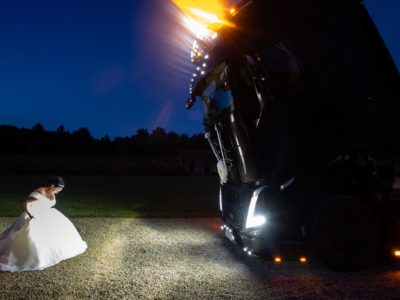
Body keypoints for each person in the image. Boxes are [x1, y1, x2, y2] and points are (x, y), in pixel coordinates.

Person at [0, 176, 87, 272]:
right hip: (35, 214)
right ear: (52, 185)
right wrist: (31, 215)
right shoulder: (41, 191)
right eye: (58, 189)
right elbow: (26, 203)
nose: (58, 191)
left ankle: (55, 253)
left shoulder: (52, 192)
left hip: (47, 214)